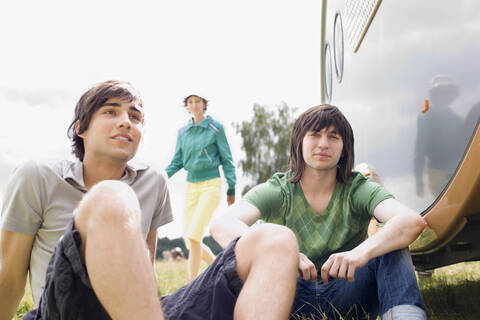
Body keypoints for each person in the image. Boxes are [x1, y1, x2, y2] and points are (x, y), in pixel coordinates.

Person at [0, 80, 299, 320]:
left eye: (135, 116)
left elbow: (145, 266)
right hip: (67, 310)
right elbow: (10, 277)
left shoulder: (152, 181)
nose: (125, 122)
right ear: (81, 128)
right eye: (110, 112)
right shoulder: (36, 176)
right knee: (111, 196)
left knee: (275, 238)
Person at [211, 105, 428, 320]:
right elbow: (222, 225)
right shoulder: (279, 190)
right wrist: (281, 253)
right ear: (299, 142)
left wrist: (359, 253)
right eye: (315, 134)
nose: (323, 144)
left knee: (390, 244)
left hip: (348, 291)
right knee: (236, 254)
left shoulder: (358, 188)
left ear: (344, 148)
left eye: (333, 137)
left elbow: (411, 221)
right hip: (287, 297)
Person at [166, 94, 236, 280]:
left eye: (197, 101)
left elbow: (227, 159)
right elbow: (177, 161)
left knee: (194, 236)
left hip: (211, 185)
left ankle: (192, 285)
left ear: (204, 104)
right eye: (190, 102)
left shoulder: (215, 128)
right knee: (190, 242)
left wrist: (232, 188)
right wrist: (160, 177)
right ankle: (219, 272)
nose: (194, 105)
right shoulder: (183, 132)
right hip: (191, 186)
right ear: (186, 106)